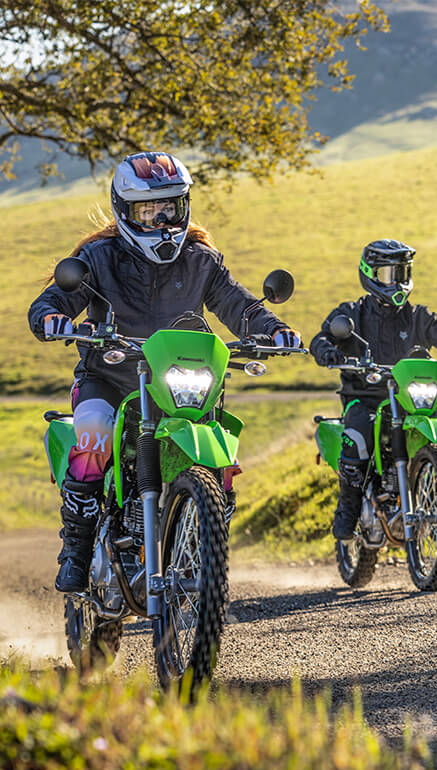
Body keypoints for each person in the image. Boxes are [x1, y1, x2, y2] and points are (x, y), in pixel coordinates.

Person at [28, 151, 301, 592]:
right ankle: (76, 553)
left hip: (180, 384)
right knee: (93, 434)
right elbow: (55, 299)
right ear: (124, 210)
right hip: (110, 379)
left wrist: (274, 329)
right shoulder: (98, 258)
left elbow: (240, 305)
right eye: (148, 211)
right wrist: (51, 317)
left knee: (221, 449)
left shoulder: (202, 260)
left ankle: (203, 535)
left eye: (170, 208)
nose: (161, 221)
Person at [309, 239, 437, 540]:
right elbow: (321, 338)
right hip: (364, 398)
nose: (396, 282)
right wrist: (329, 352)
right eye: (388, 275)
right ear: (369, 275)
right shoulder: (352, 314)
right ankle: (348, 508)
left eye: (402, 274)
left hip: (409, 399)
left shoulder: (418, 316)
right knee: (358, 435)